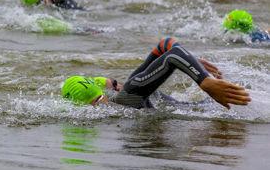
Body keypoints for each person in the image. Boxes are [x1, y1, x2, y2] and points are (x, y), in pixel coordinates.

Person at [61, 37, 250, 110]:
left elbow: (168, 47)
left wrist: (196, 68)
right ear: (95, 102)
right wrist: (203, 78)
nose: (117, 85)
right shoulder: (127, 96)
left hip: (225, 104)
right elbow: (170, 50)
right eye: (112, 84)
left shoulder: (128, 93)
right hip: (226, 105)